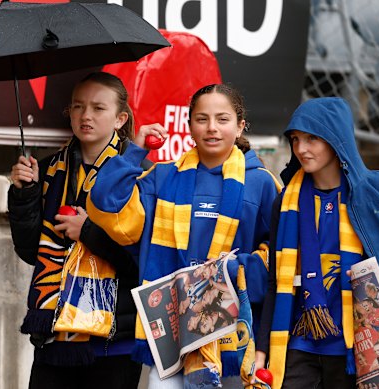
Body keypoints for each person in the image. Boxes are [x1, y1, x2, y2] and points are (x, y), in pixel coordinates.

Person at [86, 83, 281, 388]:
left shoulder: (262, 183)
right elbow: (104, 202)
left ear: (241, 125)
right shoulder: (163, 177)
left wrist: (231, 271)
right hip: (171, 331)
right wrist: (136, 150)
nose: (211, 128)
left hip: (233, 336)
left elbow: (279, 256)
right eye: (201, 119)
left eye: (222, 119)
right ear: (189, 124)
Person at [254, 97, 379, 389]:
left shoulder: (370, 194)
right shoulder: (284, 201)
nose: (301, 149)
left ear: (336, 138)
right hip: (297, 344)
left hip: (356, 347)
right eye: (295, 139)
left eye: (312, 138)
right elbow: (275, 280)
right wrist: (262, 349)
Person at [8, 72, 148, 389]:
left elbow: (138, 263)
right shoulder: (48, 170)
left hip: (115, 340)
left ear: (119, 118)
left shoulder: (138, 176)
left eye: (98, 108)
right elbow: (30, 251)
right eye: (77, 107)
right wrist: (24, 193)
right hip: (54, 335)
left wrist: (87, 231)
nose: (85, 116)